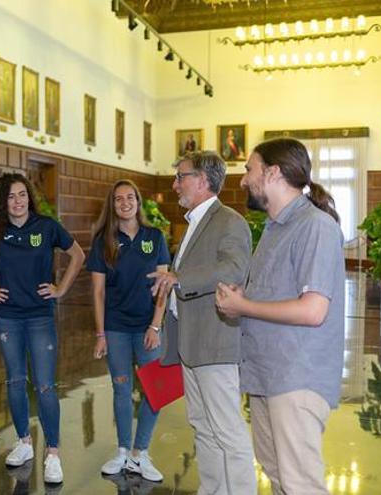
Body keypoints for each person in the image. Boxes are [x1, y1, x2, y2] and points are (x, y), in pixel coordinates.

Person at [216, 138, 345, 494]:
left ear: (272, 173)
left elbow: (313, 309)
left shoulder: (315, 227)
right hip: (267, 375)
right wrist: (245, 297)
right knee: (279, 478)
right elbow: (277, 296)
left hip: (296, 378)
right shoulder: (274, 229)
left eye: (249, 170)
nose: (243, 180)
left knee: (299, 484)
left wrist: (243, 307)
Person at [150, 151, 255, 494]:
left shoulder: (230, 221)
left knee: (228, 432)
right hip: (191, 344)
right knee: (203, 428)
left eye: (181, 176)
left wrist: (178, 277)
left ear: (204, 180)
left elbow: (233, 270)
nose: (174, 183)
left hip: (215, 341)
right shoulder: (196, 221)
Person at [0, 173, 85, 484]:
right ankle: (23, 442)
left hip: (40, 316)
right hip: (7, 315)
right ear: (2, 201)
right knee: (15, 380)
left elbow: (77, 255)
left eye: (22, 195)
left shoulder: (47, 226)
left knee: (45, 385)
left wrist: (61, 288)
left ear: (29, 197)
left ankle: (53, 453)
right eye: (11, 196)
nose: (18, 201)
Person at [87, 180, 170, 482]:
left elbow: (163, 285)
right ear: (113, 204)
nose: (125, 203)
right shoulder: (103, 241)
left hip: (148, 327)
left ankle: (140, 453)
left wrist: (156, 325)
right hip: (117, 328)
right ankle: (123, 451)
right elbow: (97, 292)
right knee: (122, 388)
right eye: (119, 199)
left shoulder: (155, 236)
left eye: (130, 197)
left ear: (138, 201)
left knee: (155, 390)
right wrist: (100, 334)